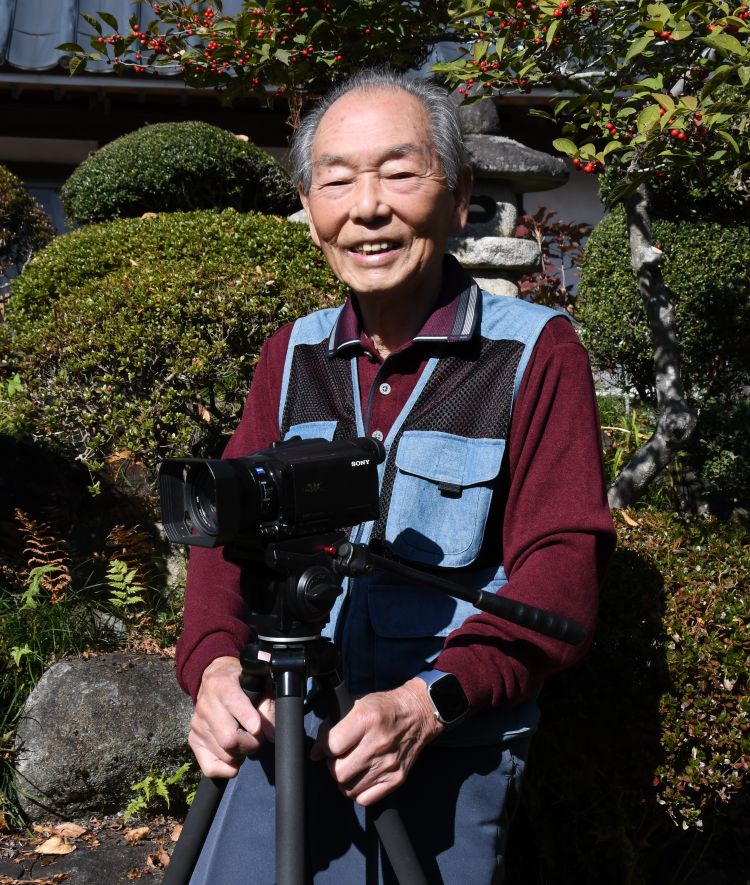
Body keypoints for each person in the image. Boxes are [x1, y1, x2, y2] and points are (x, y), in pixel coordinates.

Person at [174, 68, 615, 884]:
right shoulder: (292, 353)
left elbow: (562, 572)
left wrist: (431, 700)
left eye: (400, 172)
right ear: (310, 214)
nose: (367, 206)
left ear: (458, 199)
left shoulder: (532, 352)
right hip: (290, 734)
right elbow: (223, 530)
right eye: (336, 180)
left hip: (443, 746)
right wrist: (214, 667)